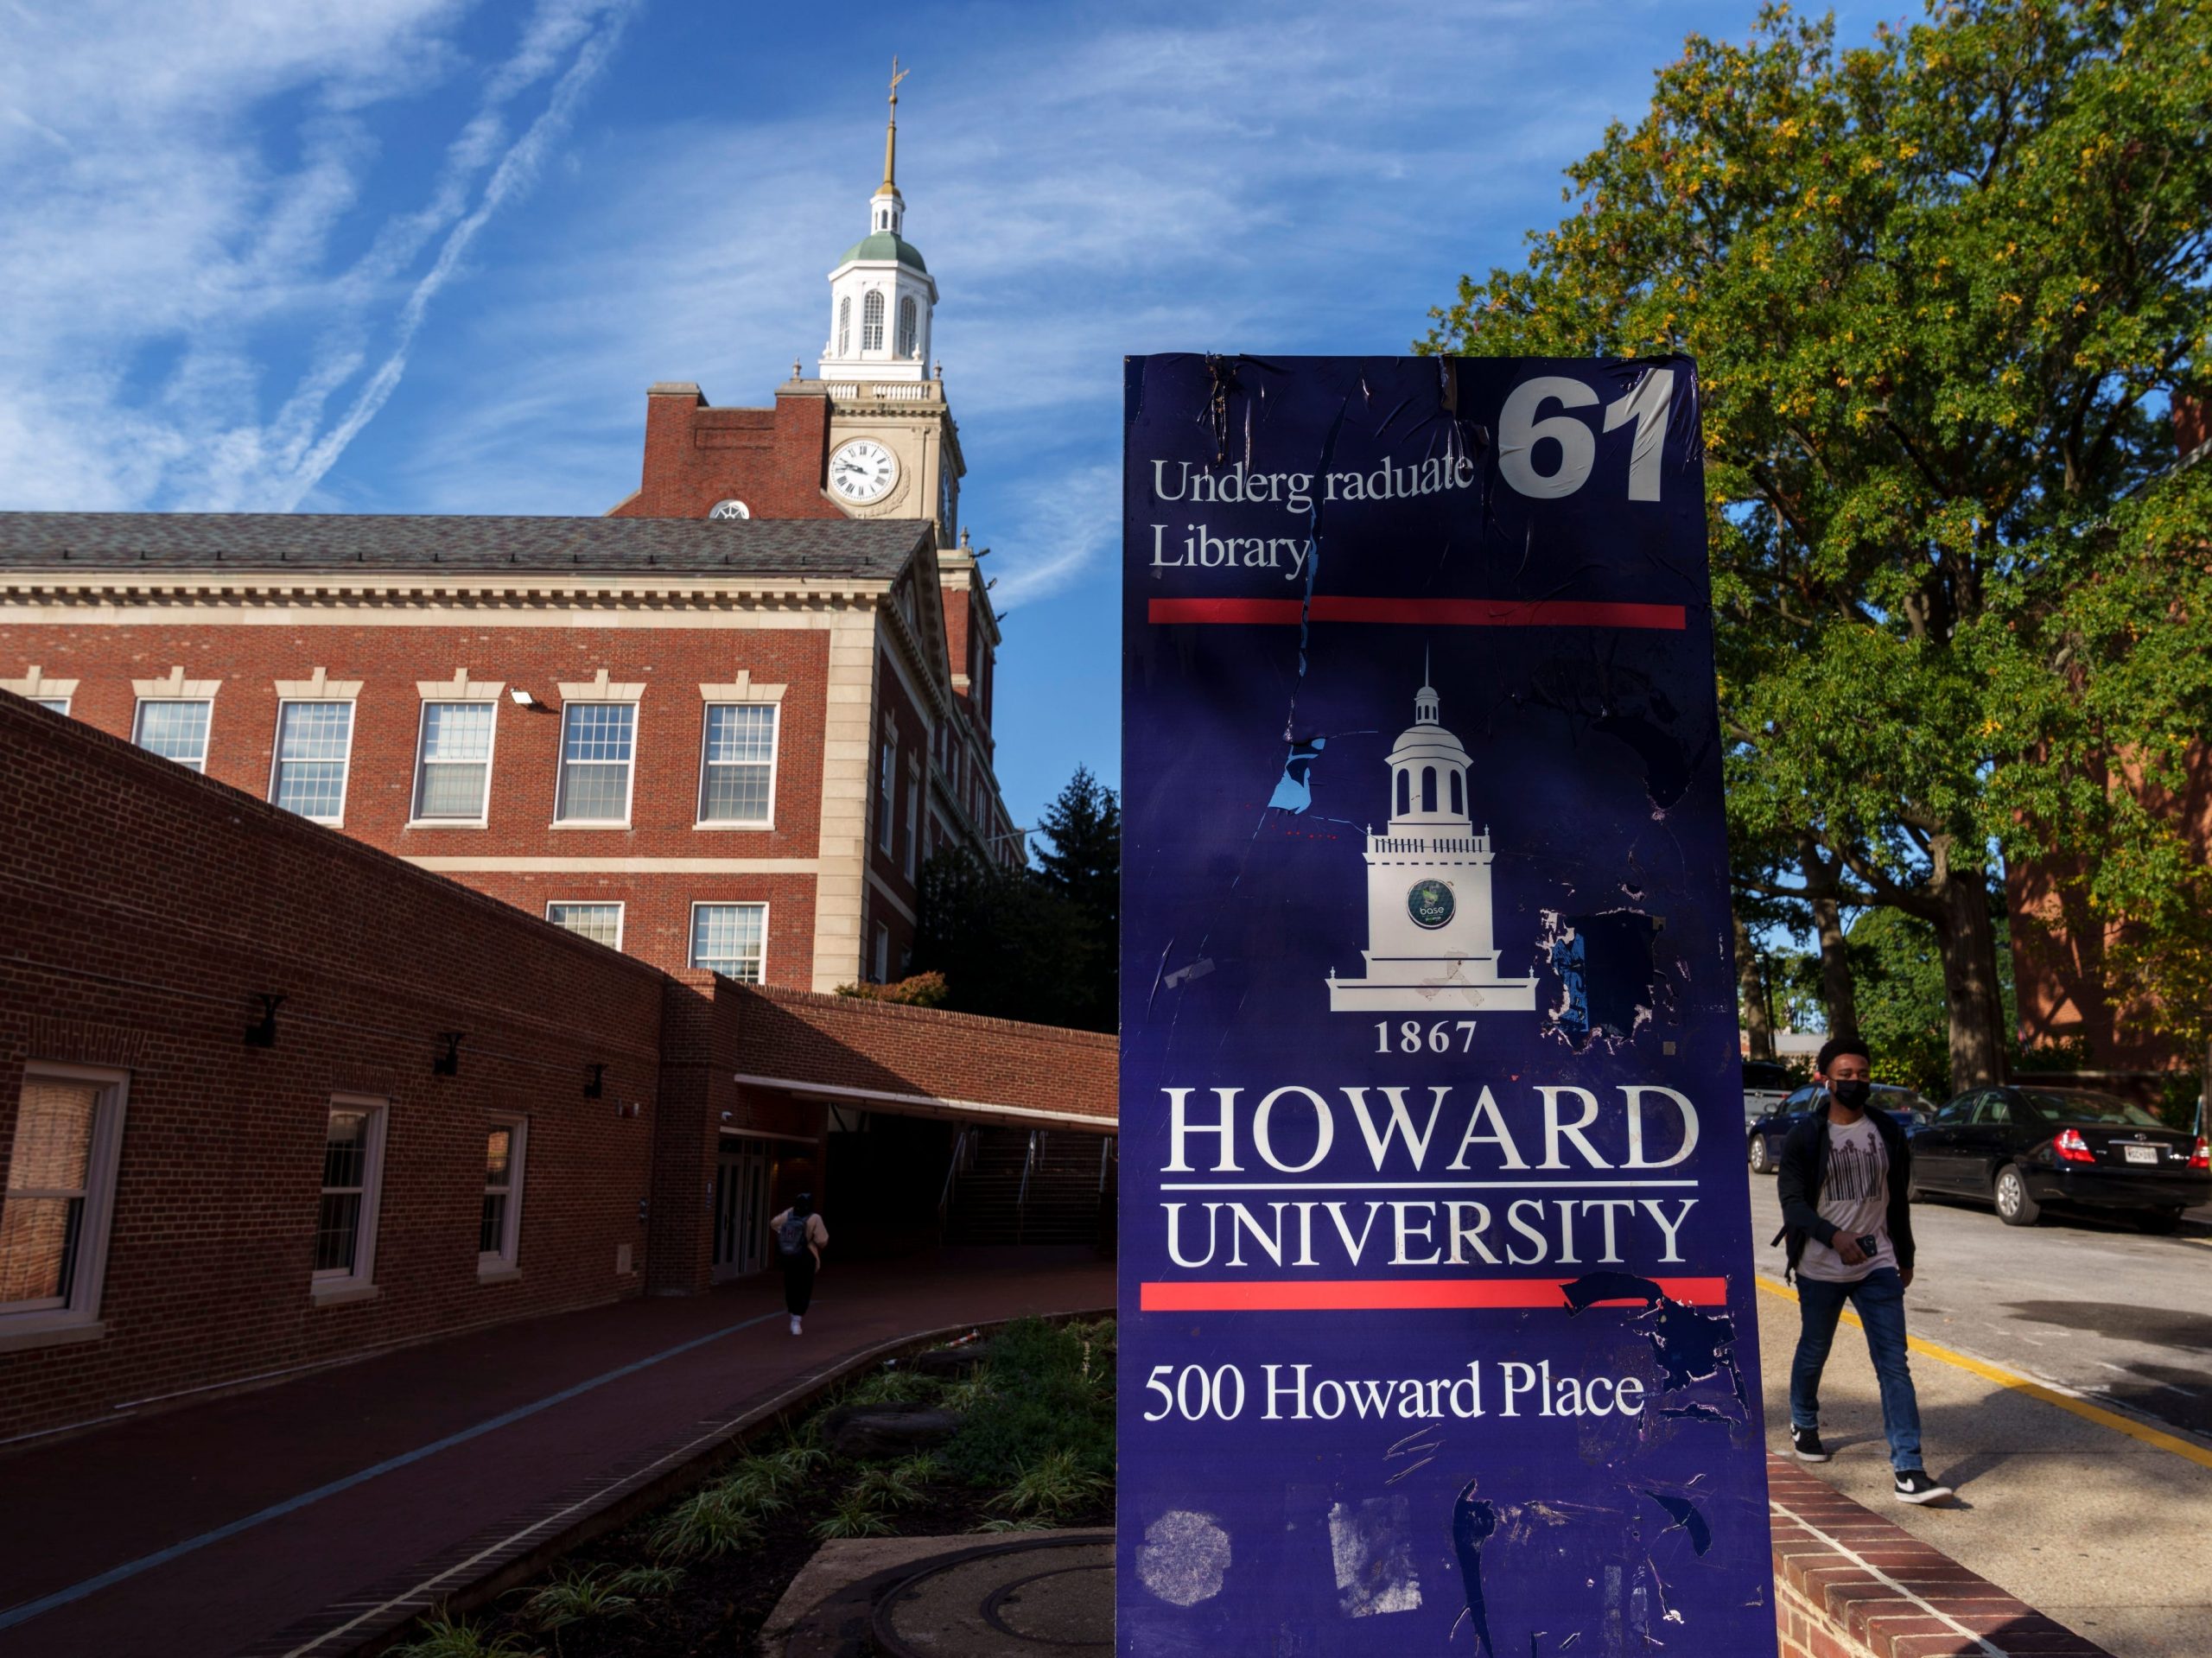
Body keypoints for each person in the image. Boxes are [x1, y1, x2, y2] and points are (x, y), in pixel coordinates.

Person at [1774, 1035, 1953, 1505]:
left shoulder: (1888, 1133)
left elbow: (1898, 1205)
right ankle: (1803, 1420)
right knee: (1815, 1349)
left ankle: (1909, 1469)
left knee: (1894, 1364)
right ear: (1825, 1079)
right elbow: (1792, 1205)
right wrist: (1834, 1236)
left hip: (1878, 1265)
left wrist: (1906, 1257)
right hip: (1820, 1264)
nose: (1856, 1082)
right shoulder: (1807, 1136)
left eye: (1863, 1074)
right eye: (1846, 1075)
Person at [770, 1191, 828, 1336]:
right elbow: (822, 1240)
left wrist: (784, 1233)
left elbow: (774, 1223)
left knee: (791, 1285)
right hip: (806, 1255)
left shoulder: (789, 1213)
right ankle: (797, 1319)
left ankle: (792, 1313)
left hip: (789, 1256)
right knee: (804, 1286)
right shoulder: (815, 1218)